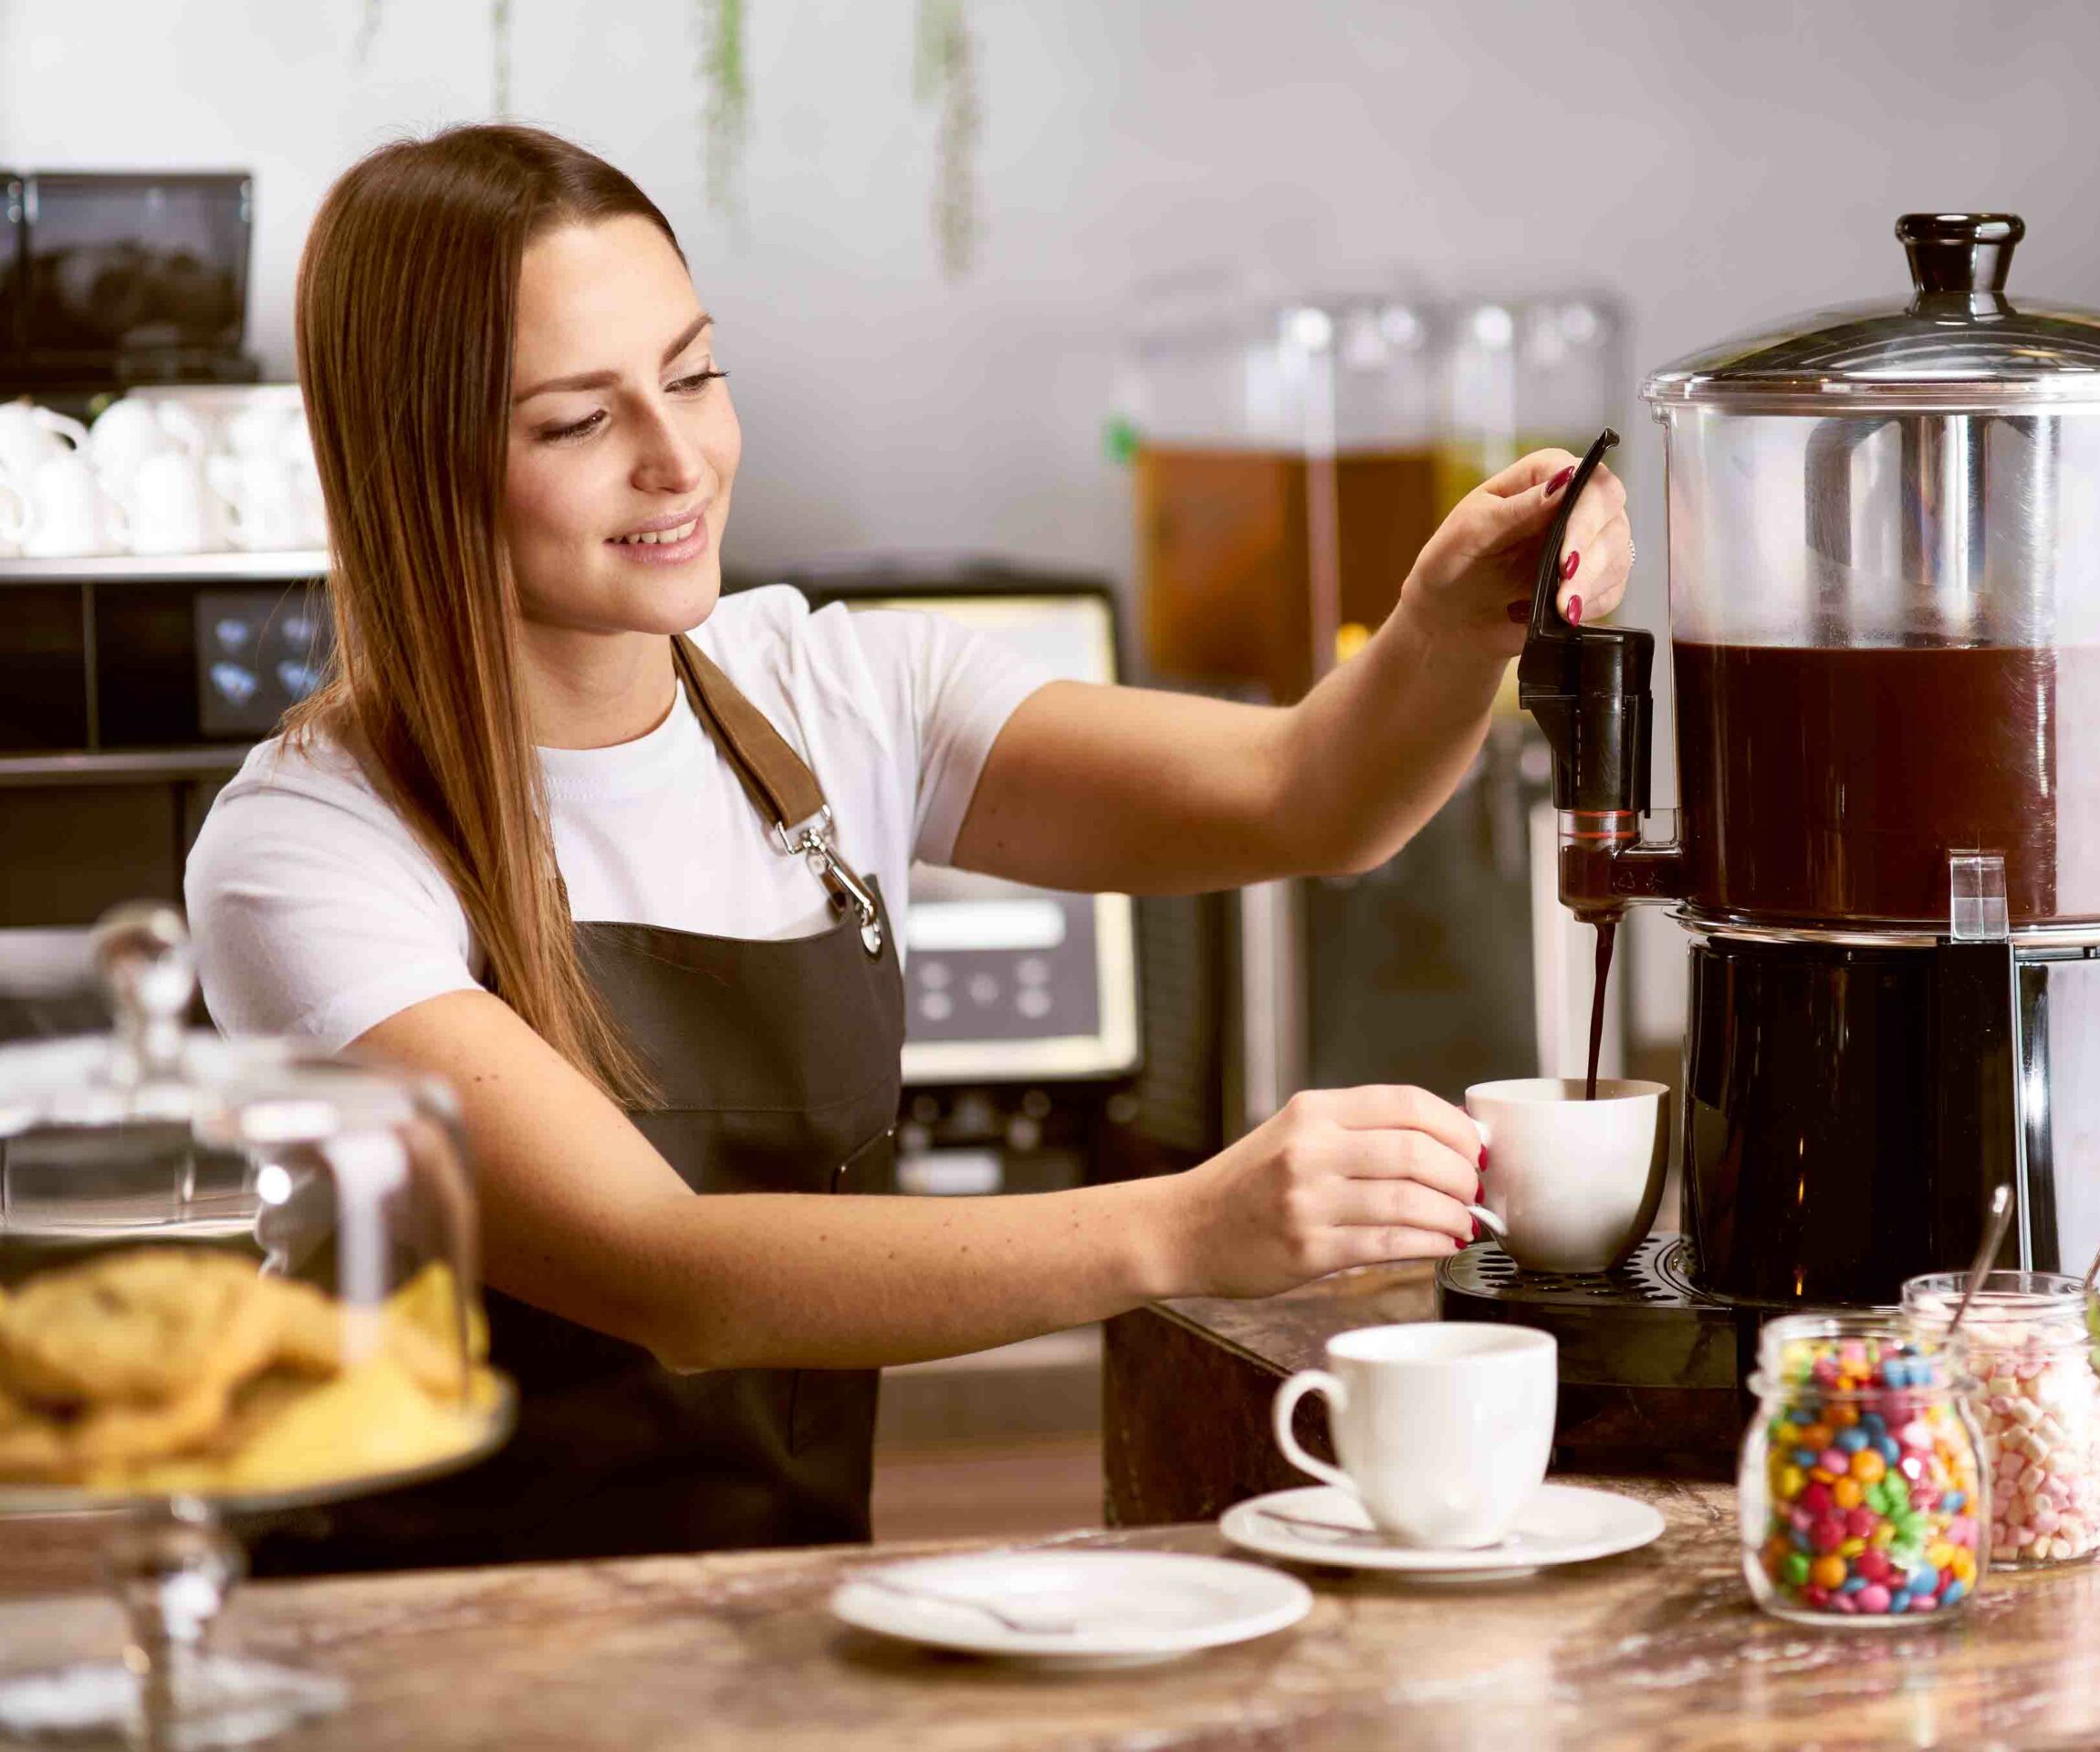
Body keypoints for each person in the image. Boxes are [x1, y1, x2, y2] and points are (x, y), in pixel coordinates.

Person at [185, 124, 1632, 1570]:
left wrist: (1450, 622)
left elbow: (1306, 797)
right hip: (414, 1650)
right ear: (412, 460)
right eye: (578, 423)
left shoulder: (835, 695)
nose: (678, 459)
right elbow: (670, 1272)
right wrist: (1188, 1228)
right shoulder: (308, 849)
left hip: (770, 1614)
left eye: (694, 374)